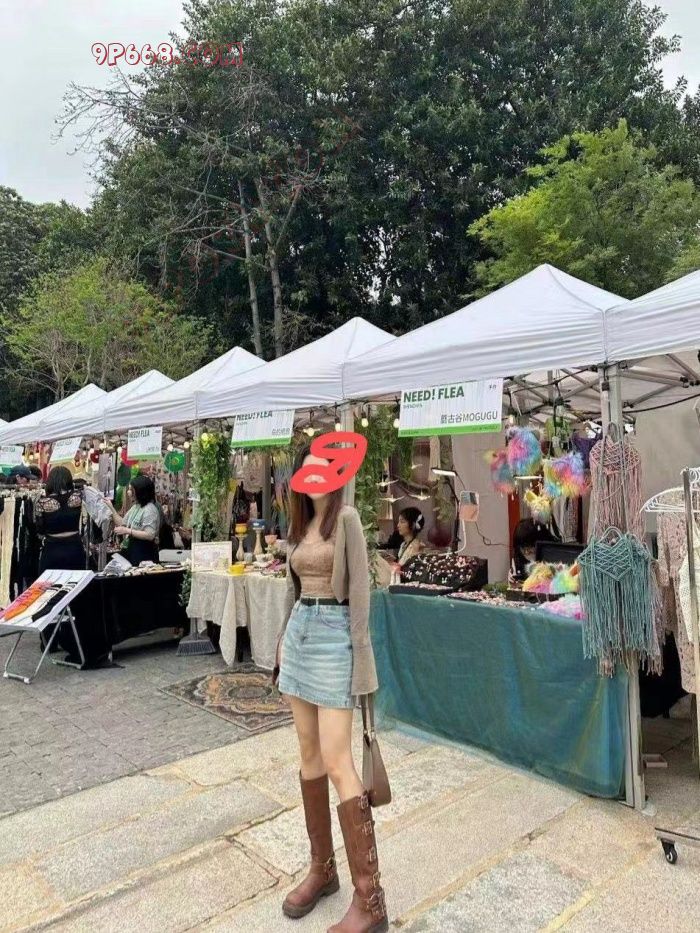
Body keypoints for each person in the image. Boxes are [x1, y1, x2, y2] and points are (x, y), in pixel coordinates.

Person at [274, 444, 388, 932]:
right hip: (300, 633)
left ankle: (370, 898)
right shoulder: (300, 524)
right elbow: (293, 588)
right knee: (309, 754)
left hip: (335, 637)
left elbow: (360, 591)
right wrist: (283, 639)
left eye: (321, 468)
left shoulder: (347, 519)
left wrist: (362, 663)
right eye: (307, 469)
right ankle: (322, 869)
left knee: (339, 759)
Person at [35, 466, 86, 573]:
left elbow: (40, 530)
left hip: (52, 549)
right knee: (76, 581)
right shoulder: (78, 497)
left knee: (49, 582)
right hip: (74, 547)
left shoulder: (42, 503)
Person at [106, 474, 161, 565]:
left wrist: (128, 531)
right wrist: (111, 508)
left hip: (144, 553)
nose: (128, 492)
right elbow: (122, 523)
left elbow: (150, 534)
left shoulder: (150, 509)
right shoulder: (136, 507)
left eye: (131, 490)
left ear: (140, 491)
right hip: (132, 550)